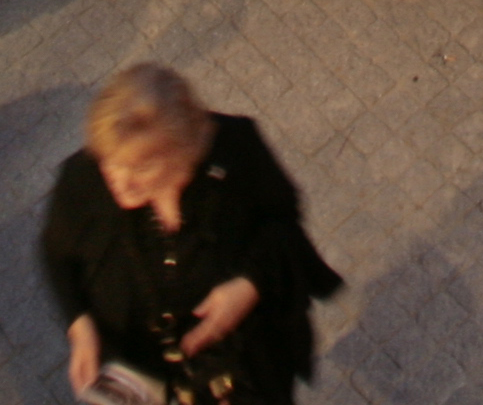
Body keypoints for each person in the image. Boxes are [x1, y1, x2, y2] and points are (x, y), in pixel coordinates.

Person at [39, 64, 342, 405]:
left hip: (241, 367)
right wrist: (80, 328)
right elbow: (56, 254)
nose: (119, 182)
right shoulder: (83, 179)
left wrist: (250, 285)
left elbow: (284, 226)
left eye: (140, 167)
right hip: (138, 372)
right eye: (110, 162)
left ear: (182, 150)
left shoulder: (236, 151)